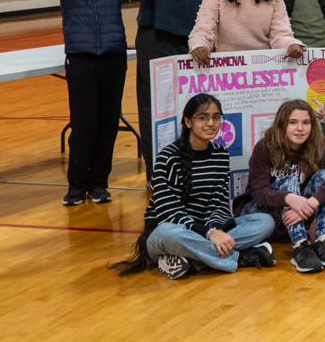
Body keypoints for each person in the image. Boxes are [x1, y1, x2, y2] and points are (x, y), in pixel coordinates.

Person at [5, 0, 160, 206]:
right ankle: (76, 186)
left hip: (113, 59)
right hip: (81, 60)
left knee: (108, 124)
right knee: (83, 124)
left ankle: (99, 184)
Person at [112, 93, 276, 278]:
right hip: (170, 235)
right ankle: (240, 258)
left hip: (204, 233)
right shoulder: (168, 157)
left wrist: (216, 230)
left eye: (216, 117)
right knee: (168, 233)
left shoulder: (220, 154)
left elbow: (219, 202)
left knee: (265, 222)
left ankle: (191, 261)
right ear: (188, 122)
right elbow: (168, 213)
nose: (211, 123)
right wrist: (208, 233)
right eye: (203, 118)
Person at [115, 0, 213, 176]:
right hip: (157, 36)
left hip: (198, 42)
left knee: (199, 108)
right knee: (155, 109)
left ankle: (194, 171)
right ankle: (157, 173)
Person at [239, 99, 325, 274]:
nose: (300, 128)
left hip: (296, 215)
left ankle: (322, 241)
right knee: (289, 181)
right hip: (260, 215)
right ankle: (299, 246)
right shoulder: (264, 147)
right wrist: (290, 198)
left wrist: (310, 202)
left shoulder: (317, 146)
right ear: (282, 125)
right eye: (293, 122)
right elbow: (259, 193)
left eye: (306, 123)